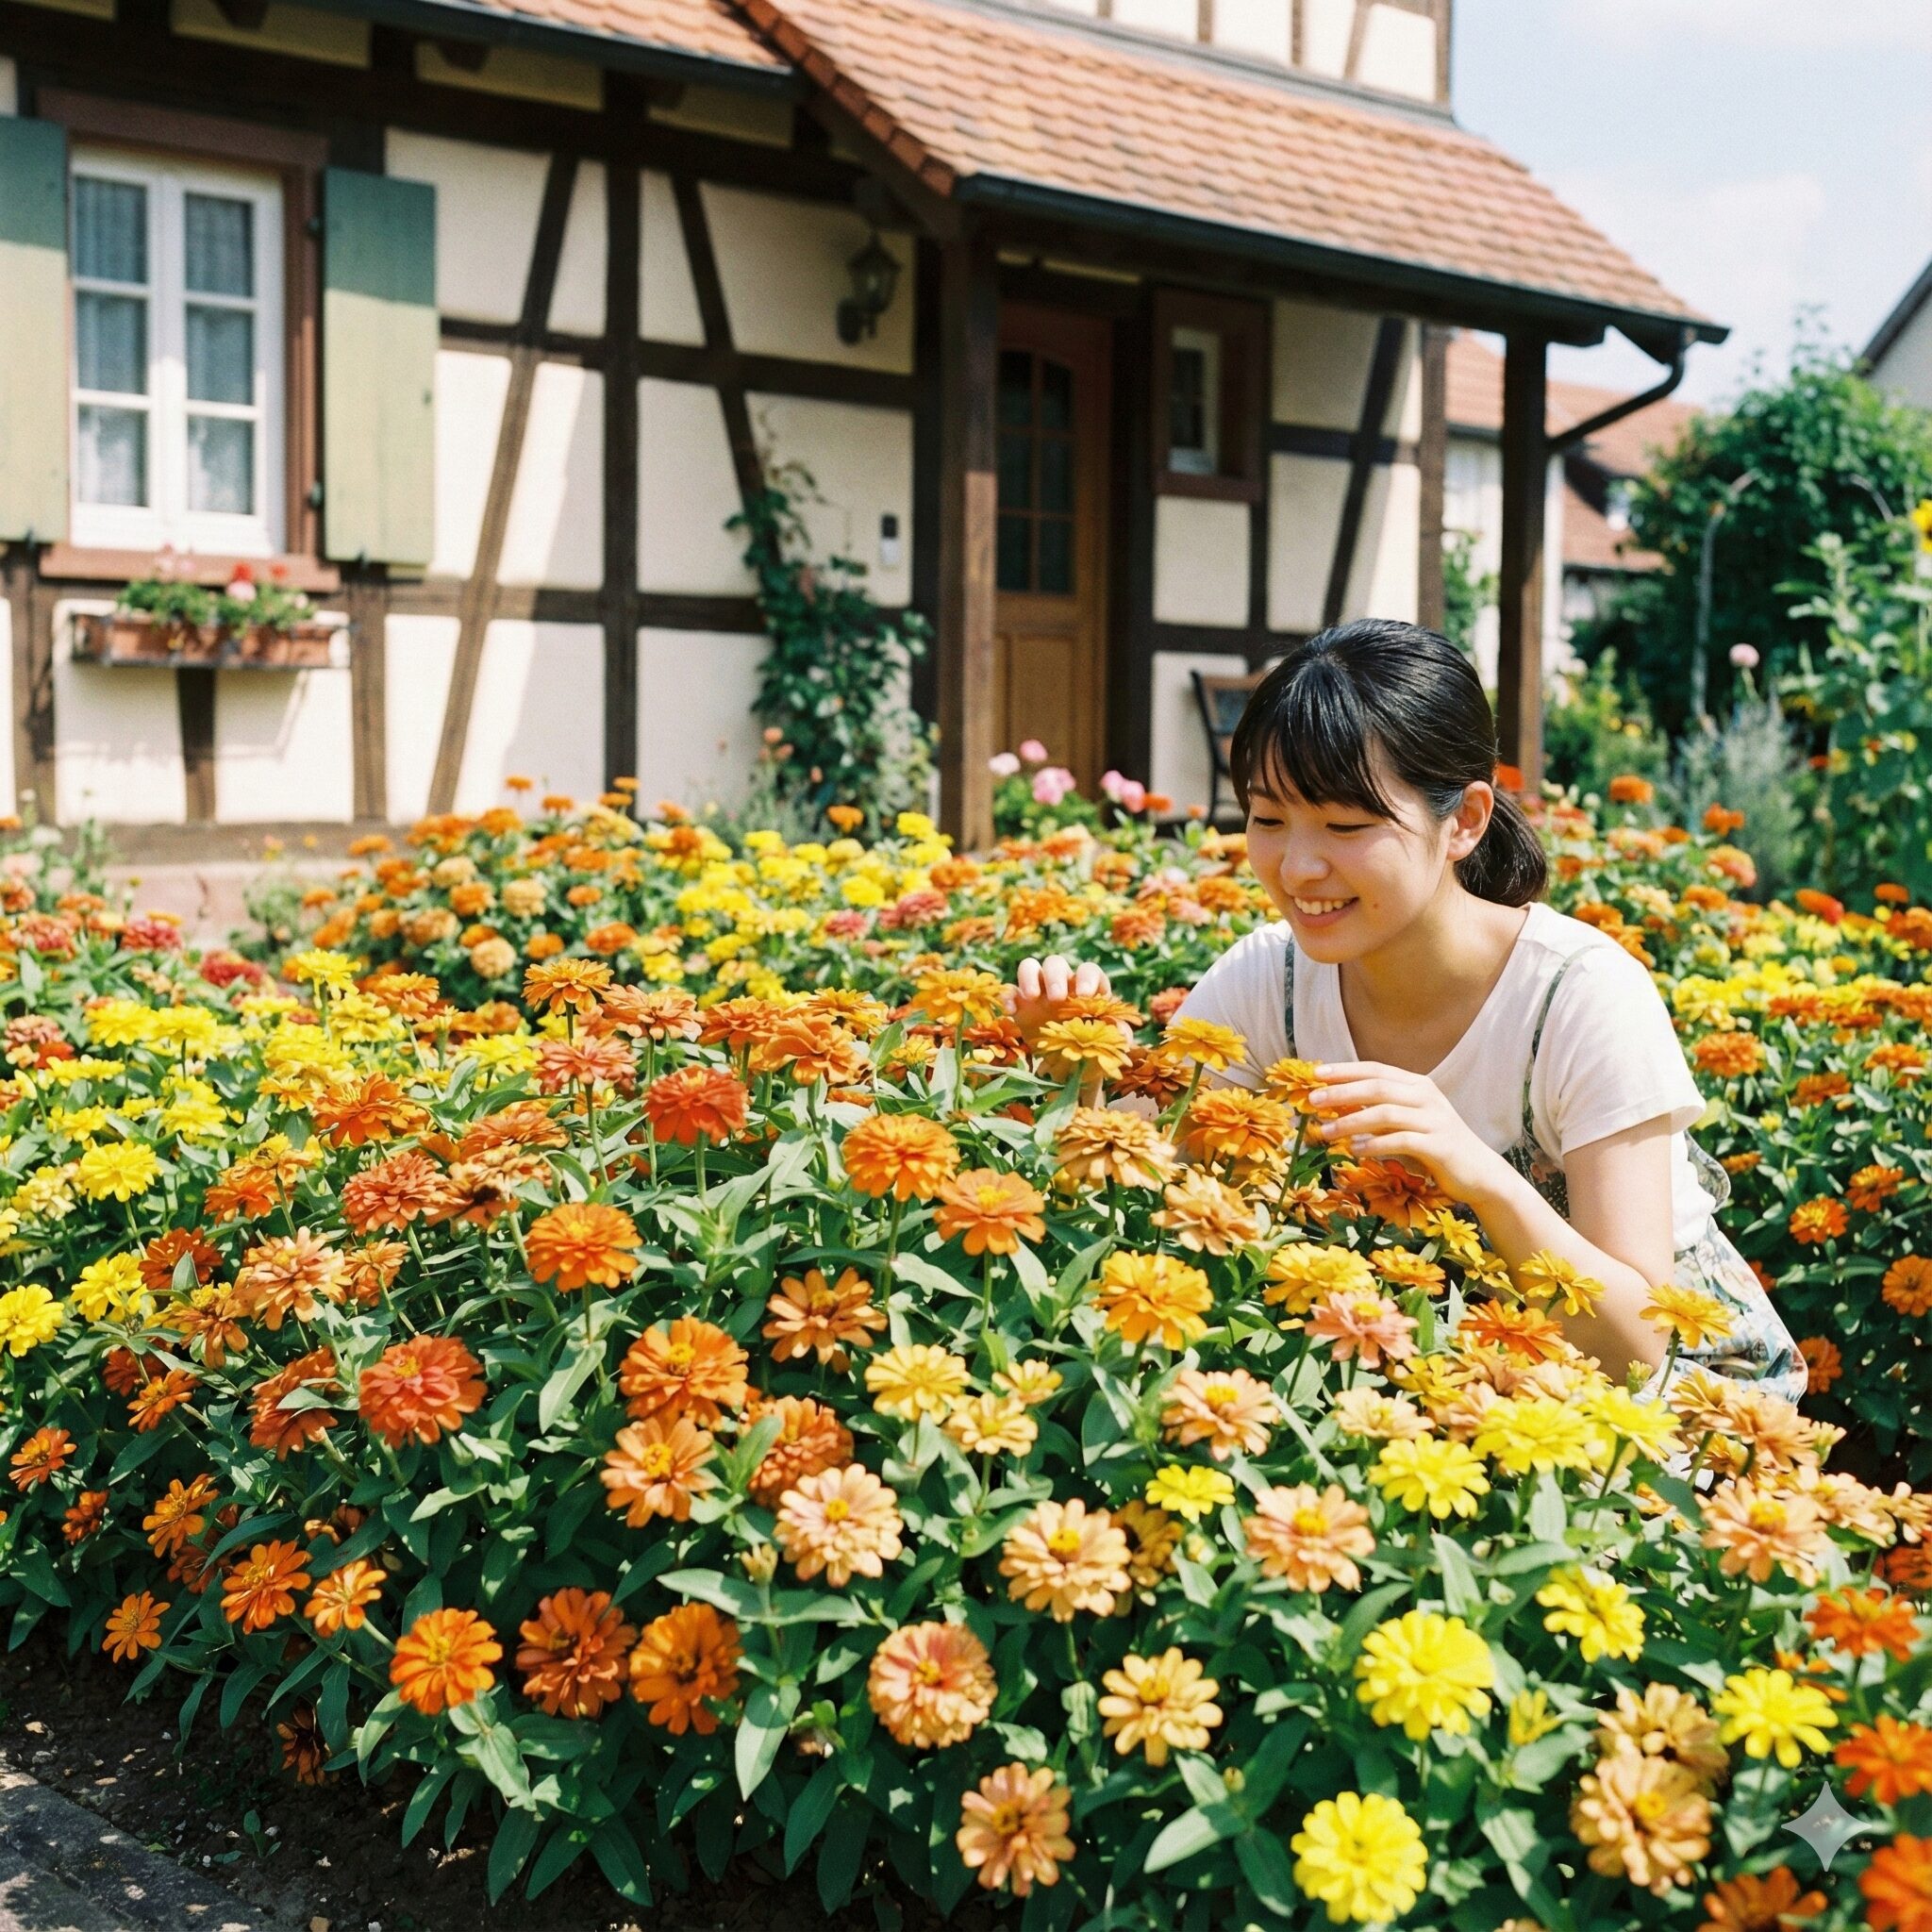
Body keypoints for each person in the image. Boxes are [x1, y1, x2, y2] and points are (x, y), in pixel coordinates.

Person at [1014, 618, 1803, 1401]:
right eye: (1267, 819)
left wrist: (1480, 1178)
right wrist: (1071, 1076)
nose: (1297, 866)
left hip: (1665, 1401)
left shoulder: (1581, 996)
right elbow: (1150, 1201)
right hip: (1412, 1364)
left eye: (1346, 825)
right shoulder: (1268, 979)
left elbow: (1637, 1346)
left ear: (1464, 820)